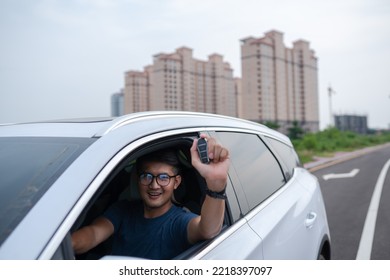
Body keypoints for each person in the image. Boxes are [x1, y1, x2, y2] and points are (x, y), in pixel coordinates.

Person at [71, 135, 230, 259]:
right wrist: (64, 244)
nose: (154, 185)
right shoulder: (122, 210)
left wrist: (216, 185)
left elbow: (207, 229)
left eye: (163, 177)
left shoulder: (179, 221)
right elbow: (92, 234)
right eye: (147, 176)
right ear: (137, 179)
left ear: (176, 182)